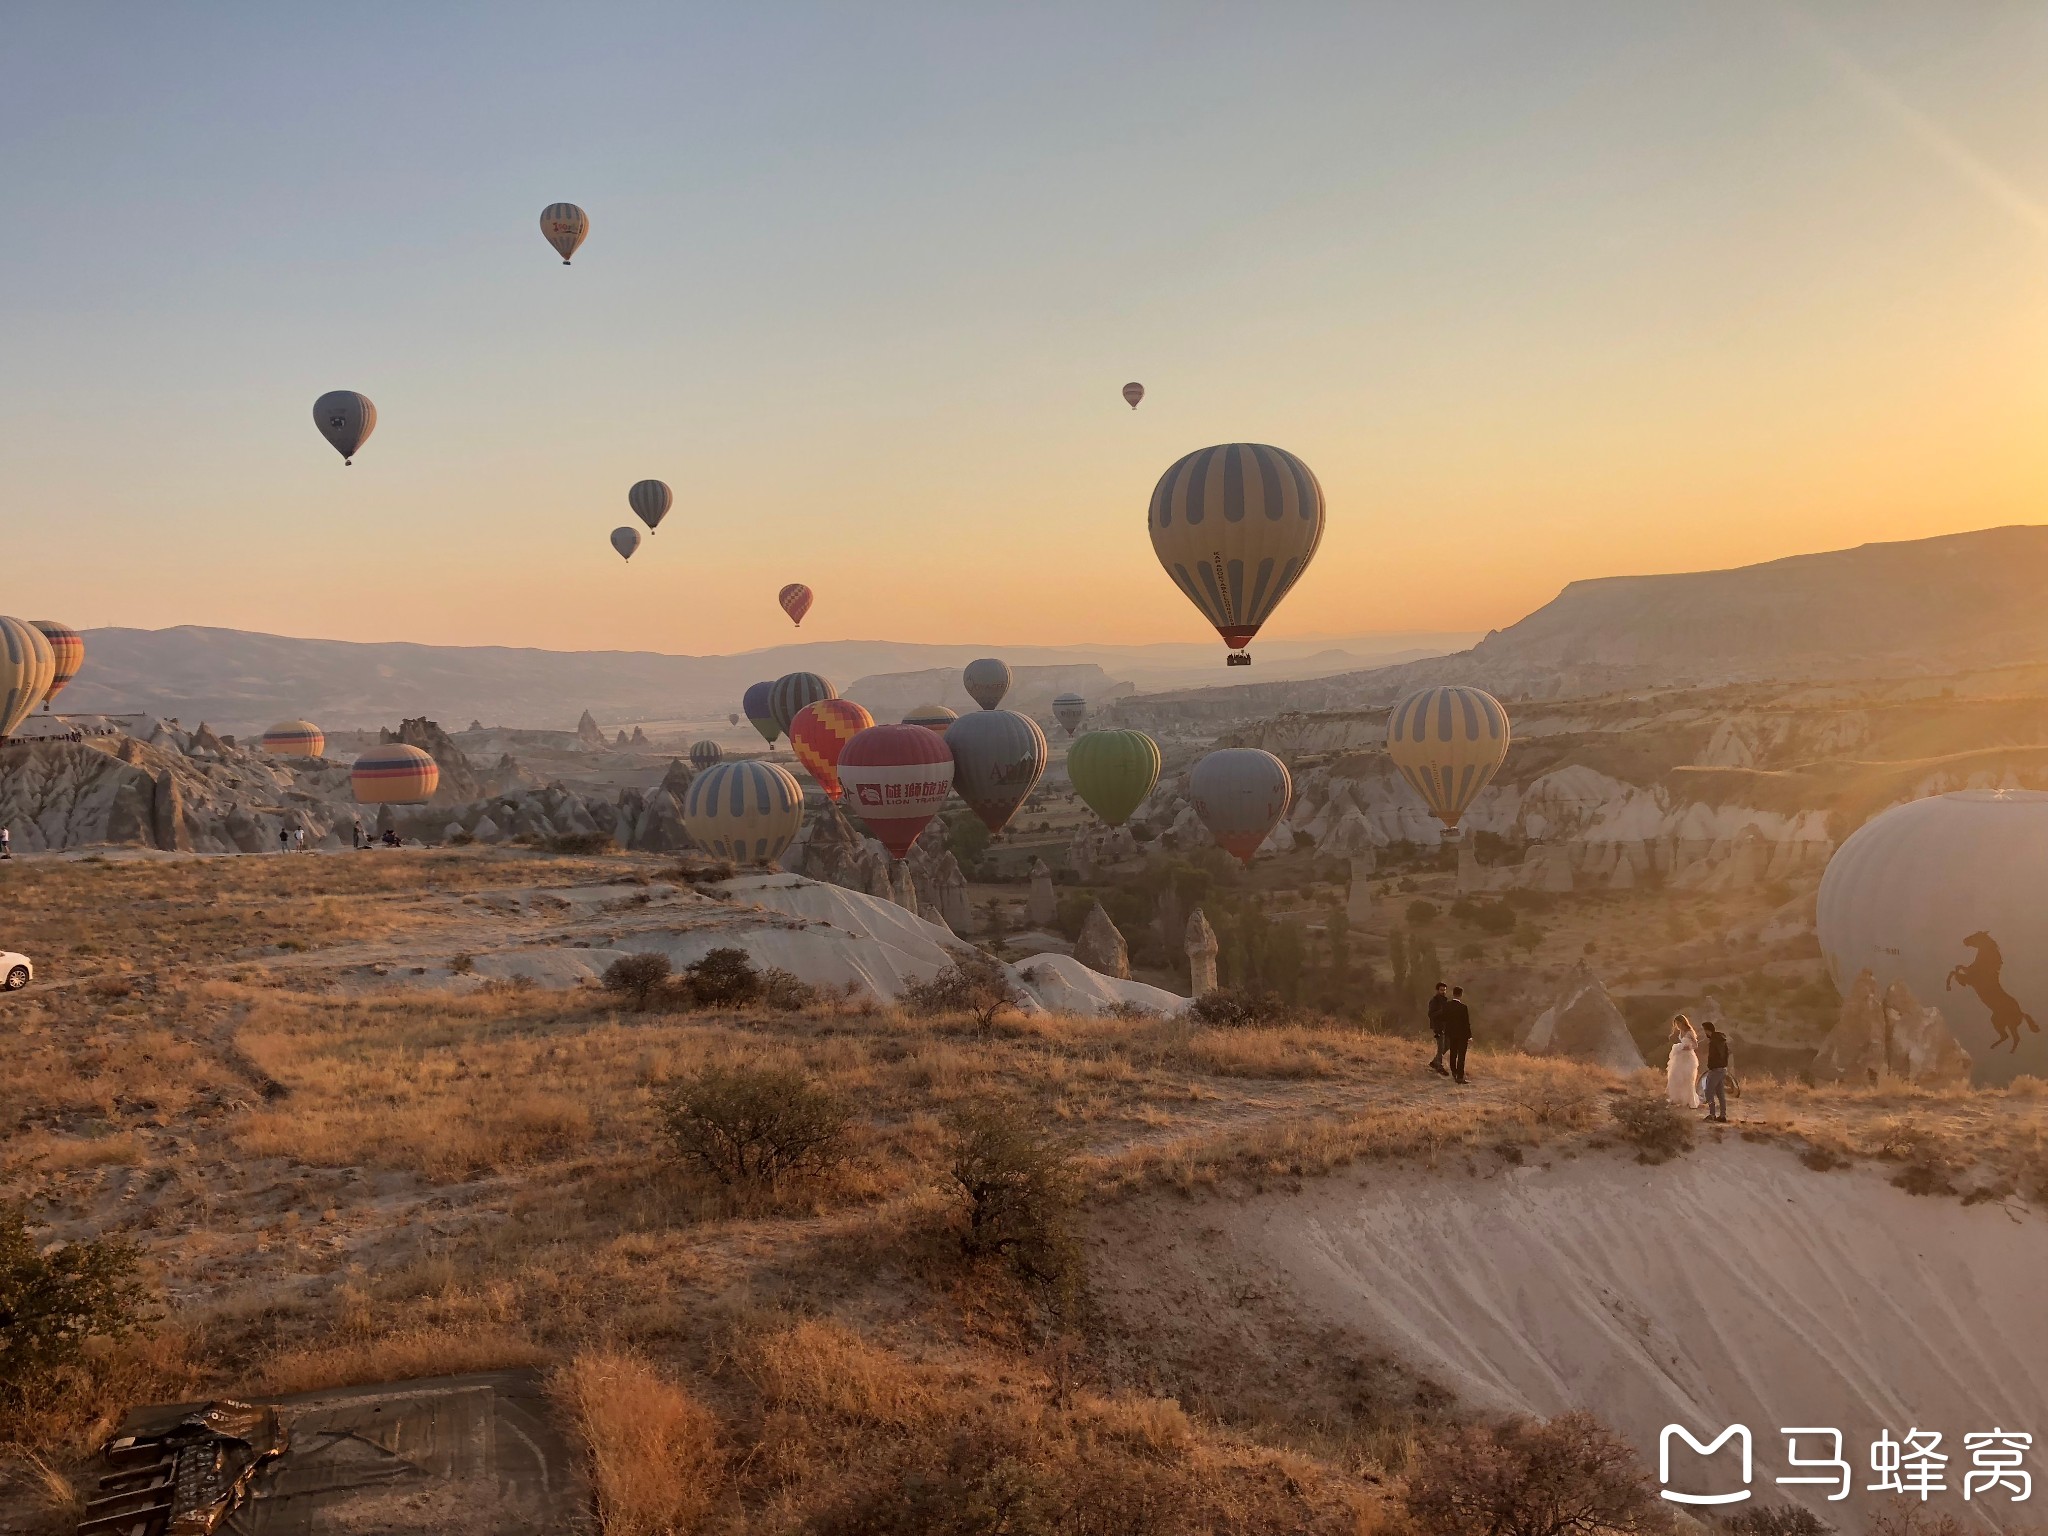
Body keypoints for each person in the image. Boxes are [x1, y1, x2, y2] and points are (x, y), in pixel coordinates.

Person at [1666, 1015, 1701, 1108]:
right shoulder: (1681, 1032)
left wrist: (1688, 1047)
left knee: (1687, 1079)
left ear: (1683, 1022)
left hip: (1688, 1058)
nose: (1677, 1025)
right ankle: (1678, 1098)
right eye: (1676, 1024)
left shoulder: (1689, 1032)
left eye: (1678, 1023)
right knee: (1676, 1077)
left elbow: (1696, 1045)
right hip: (1680, 1057)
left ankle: (1690, 1101)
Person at [1700, 1021, 1732, 1122]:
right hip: (1722, 1069)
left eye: (1704, 1030)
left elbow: (1713, 1056)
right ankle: (1722, 1116)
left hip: (1715, 1069)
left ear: (1707, 1030)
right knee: (1720, 1093)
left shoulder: (1714, 1041)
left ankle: (1712, 1114)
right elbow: (1727, 1053)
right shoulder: (1721, 1040)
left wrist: (1711, 1066)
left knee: (1708, 1091)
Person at [1442, 985, 1474, 1084]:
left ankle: (1454, 1072)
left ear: (1453, 994)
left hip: (1451, 1033)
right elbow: (1466, 1023)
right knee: (1461, 1056)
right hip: (1462, 1035)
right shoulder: (1463, 1007)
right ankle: (1460, 1076)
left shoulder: (1447, 1005)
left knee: (1453, 1053)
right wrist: (1469, 1036)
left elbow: (1444, 1019)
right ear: (1461, 995)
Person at [1426, 981, 1451, 1076]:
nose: (1443, 992)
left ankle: (1434, 1062)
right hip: (1437, 1027)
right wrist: (1441, 1011)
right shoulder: (1434, 1001)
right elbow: (1430, 1014)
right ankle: (1439, 1067)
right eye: (1441, 990)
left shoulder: (1445, 1000)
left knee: (1448, 1045)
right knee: (1441, 1048)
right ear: (1437, 990)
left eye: (1444, 990)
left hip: (1445, 1027)